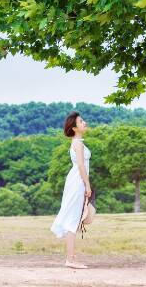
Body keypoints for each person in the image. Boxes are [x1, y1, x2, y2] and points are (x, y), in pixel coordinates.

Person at [50, 111, 93, 269]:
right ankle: (70, 259)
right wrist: (87, 185)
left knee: (81, 216)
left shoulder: (78, 142)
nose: (85, 123)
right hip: (77, 182)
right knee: (73, 220)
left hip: (76, 180)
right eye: (81, 121)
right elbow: (81, 166)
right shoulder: (78, 143)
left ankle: (71, 258)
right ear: (75, 128)